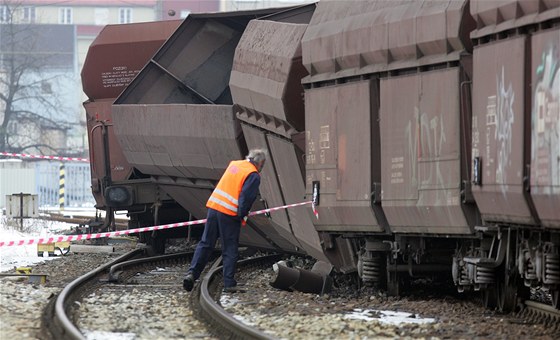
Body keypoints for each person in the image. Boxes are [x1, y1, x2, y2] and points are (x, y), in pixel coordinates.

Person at [183, 148, 266, 293]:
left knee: (206, 243)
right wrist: (242, 215)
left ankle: (192, 274)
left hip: (214, 208)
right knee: (229, 248)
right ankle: (229, 284)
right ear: (261, 163)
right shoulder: (253, 174)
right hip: (229, 213)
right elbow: (246, 198)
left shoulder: (235, 164)